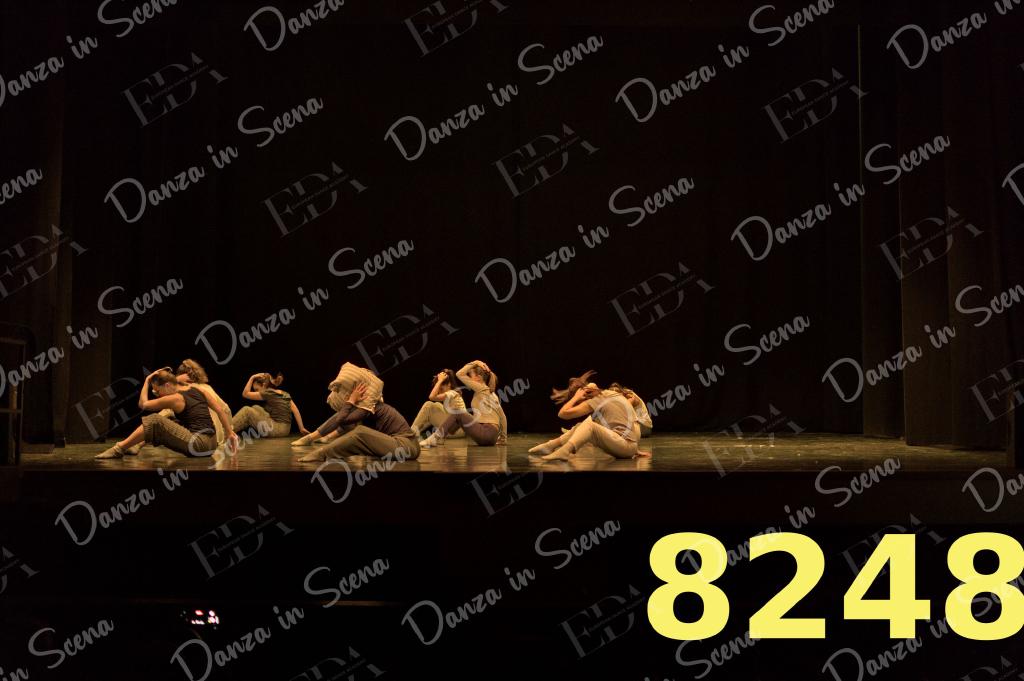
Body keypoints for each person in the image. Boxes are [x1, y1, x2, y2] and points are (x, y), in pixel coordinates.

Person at [95, 369, 237, 459]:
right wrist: (230, 433)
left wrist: (147, 381)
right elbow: (220, 410)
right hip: (212, 444)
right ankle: (135, 445)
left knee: (155, 420)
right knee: (172, 421)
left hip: (200, 444)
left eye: (157, 391)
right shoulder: (199, 390)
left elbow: (143, 404)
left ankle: (118, 449)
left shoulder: (175, 398)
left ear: (167, 385)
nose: (157, 394)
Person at [529, 370, 647, 461]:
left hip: (626, 445)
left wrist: (576, 397)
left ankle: (565, 451)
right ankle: (550, 446)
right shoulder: (607, 396)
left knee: (589, 425)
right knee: (583, 425)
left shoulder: (600, 398)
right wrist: (634, 448)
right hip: (626, 445)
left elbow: (562, 414)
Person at [295, 383, 419, 463]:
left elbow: (341, 420)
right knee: (354, 426)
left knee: (360, 432)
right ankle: (313, 438)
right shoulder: (367, 408)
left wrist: (351, 401)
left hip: (406, 446)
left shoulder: (370, 406)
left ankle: (321, 454)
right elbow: (344, 422)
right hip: (401, 447)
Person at [418, 360, 508, 448]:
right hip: (492, 437)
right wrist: (503, 438)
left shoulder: (481, 388)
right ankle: (442, 436)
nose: (469, 378)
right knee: (459, 417)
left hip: (485, 433)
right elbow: (503, 417)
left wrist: (476, 362)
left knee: (458, 412)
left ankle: (435, 438)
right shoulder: (493, 394)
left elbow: (459, 374)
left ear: (478, 377)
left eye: (470, 376)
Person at [232, 372, 308, 438]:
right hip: (286, 429)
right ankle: (233, 431)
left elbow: (245, 394)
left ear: (264, 385)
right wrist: (301, 428)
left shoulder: (268, 393)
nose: (256, 392)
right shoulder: (285, 393)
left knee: (247, 411)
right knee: (256, 407)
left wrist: (252, 377)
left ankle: (227, 431)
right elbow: (296, 411)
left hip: (278, 429)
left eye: (256, 389)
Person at [410, 369, 466, 438]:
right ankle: (414, 432)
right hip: (457, 428)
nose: (439, 392)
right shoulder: (454, 393)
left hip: (455, 430)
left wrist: (440, 381)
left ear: (449, 384)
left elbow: (431, 397)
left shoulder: (452, 393)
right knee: (436, 405)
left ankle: (411, 434)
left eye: (441, 389)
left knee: (428, 405)